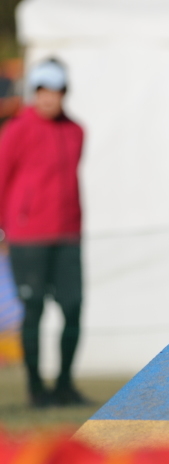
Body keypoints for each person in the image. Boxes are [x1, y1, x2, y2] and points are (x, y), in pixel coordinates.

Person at [0, 58, 87, 407]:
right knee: (32, 309)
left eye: (56, 90)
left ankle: (64, 385)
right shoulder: (17, 129)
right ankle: (37, 389)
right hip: (27, 236)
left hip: (68, 234)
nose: (49, 97)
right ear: (34, 91)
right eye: (43, 90)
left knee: (73, 306)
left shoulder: (76, 130)